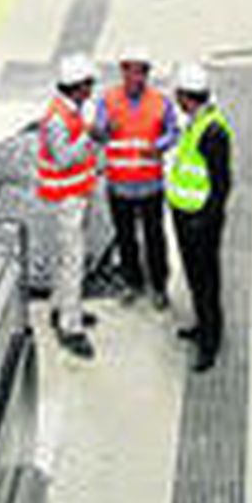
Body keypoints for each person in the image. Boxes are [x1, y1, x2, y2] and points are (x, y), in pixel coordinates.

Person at [94, 47, 177, 310]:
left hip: (150, 185)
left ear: (147, 74)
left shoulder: (161, 102)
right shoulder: (107, 101)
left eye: (140, 72)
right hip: (119, 186)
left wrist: (160, 144)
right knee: (125, 237)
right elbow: (98, 133)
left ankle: (159, 285)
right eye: (130, 71)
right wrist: (104, 129)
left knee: (155, 237)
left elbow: (173, 131)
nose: (135, 78)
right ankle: (133, 282)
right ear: (123, 71)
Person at [165, 63, 234, 373]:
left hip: (200, 223)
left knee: (206, 282)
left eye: (178, 95)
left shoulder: (213, 132)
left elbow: (221, 185)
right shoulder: (196, 121)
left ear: (186, 97)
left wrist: (205, 221)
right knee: (195, 279)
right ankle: (201, 326)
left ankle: (210, 342)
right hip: (186, 217)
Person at [37, 51, 99, 358]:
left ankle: (61, 306)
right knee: (72, 261)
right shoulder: (58, 119)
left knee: (67, 256)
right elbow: (63, 159)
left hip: (77, 194)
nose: (93, 89)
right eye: (90, 83)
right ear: (77, 86)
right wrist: (87, 135)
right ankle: (70, 327)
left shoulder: (69, 111)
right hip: (67, 200)